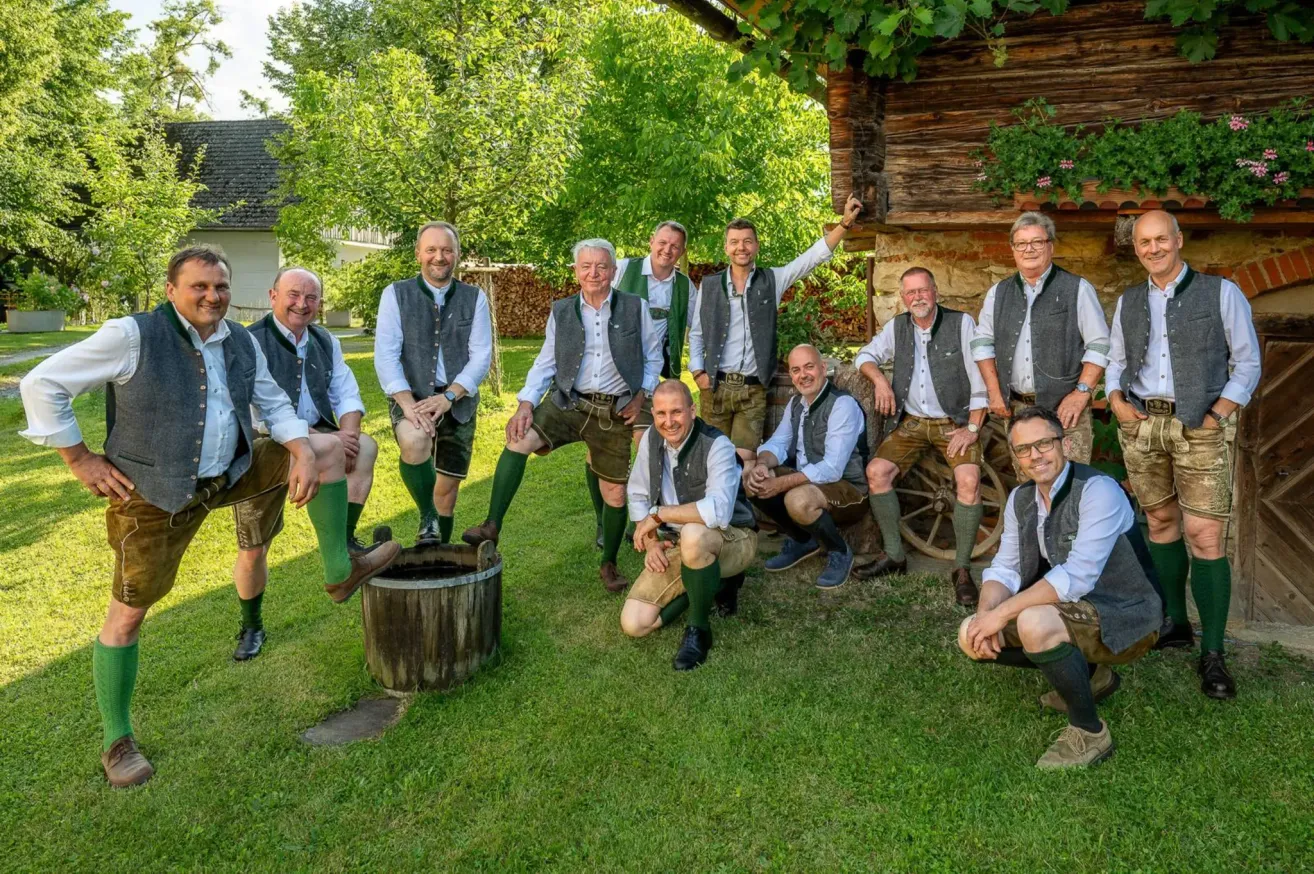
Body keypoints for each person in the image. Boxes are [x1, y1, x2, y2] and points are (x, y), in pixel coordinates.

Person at [18, 246, 400, 787]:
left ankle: (339, 568)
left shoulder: (239, 338)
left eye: (219, 287)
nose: (212, 296)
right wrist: (80, 459)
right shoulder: (131, 336)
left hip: (232, 469)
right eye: (198, 286)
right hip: (154, 490)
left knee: (331, 447)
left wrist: (300, 450)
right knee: (128, 614)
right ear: (171, 289)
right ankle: (117, 740)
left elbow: (271, 400)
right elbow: (41, 385)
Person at [1105, 209, 1261, 699]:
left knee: (1204, 533)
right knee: (1160, 523)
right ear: (1136, 248)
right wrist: (1115, 402)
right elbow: (1116, 359)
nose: (1152, 248)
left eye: (1160, 239)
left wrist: (1217, 414)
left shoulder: (1221, 292)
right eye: (1143, 242)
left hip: (1201, 426)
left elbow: (1248, 361)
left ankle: (1212, 653)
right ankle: (1175, 623)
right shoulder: (1129, 300)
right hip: (1142, 425)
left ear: (1178, 240)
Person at [958, 407, 1161, 768]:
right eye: (1024, 449)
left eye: (1044, 444)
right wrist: (984, 615)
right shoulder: (1022, 499)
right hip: (1072, 609)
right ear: (1017, 457)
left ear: (1064, 444)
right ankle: (1092, 677)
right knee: (968, 634)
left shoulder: (1098, 491)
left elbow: (1077, 577)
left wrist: (1002, 615)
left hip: (1126, 614)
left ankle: (1089, 731)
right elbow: (1004, 568)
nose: (1035, 456)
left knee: (1034, 623)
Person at [462, 239, 663, 594]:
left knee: (615, 493)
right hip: (568, 401)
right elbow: (546, 361)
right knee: (518, 439)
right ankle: (492, 524)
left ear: (614, 271)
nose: (594, 273)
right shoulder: (562, 310)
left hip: (613, 410)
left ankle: (609, 562)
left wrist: (641, 393)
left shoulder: (636, 307)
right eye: (586, 266)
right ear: (576, 272)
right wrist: (525, 402)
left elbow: (652, 355)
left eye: (601, 266)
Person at [230, 266, 379, 661]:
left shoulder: (324, 339)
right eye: (294, 294)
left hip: (322, 438)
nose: (302, 304)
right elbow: (254, 413)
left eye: (311, 298)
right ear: (273, 294)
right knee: (253, 547)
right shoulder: (248, 340)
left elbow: (345, 389)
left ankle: (342, 547)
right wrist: (313, 441)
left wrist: (348, 431)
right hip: (266, 445)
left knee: (364, 447)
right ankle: (252, 625)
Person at [851, 267, 989, 607]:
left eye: (923, 290)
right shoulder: (897, 327)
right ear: (903, 298)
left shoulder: (961, 324)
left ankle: (961, 569)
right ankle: (895, 556)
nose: (917, 298)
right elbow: (864, 357)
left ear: (935, 291)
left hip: (953, 422)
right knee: (876, 472)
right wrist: (881, 381)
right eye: (910, 293)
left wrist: (972, 428)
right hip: (912, 423)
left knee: (968, 480)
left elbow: (980, 376)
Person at [688, 195, 863, 460]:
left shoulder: (773, 280)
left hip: (752, 390)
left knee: (744, 459)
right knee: (712, 459)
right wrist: (698, 372)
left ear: (756, 246)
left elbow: (811, 259)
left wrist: (844, 224)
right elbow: (698, 334)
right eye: (734, 242)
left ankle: (742, 502)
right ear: (726, 248)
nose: (741, 247)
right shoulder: (710, 286)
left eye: (747, 241)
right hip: (715, 388)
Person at [621, 380, 758, 670]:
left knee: (695, 534)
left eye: (677, 412)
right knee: (635, 624)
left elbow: (719, 511)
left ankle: (698, 629)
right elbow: (637, 492)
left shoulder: (717, 445)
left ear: (692, 410)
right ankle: (717, 583)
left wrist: (659, 515)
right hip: (678, 542)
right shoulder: (650, 439)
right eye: (661, 414)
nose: (669, 422)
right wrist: (652, 542)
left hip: (734, 537)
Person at [374, 221, 493, 545]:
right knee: (414, 441)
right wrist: (408, 405)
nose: (438, 257)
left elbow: (481, 355)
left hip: (459, 399)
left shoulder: (474, 298)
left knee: (448, 491)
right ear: (418, 254)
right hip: (411, 396)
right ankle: (427, 517)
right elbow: (386, 356)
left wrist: (450, 396)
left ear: (456, 255)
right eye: (431, 249)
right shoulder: (395, 295)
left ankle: (437, 550)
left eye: (446, 250)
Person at [583, 221, 695, 548]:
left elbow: (699, 329)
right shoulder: (623, 271)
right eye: (662, 242)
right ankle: (603, 521)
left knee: (648, 446)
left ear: (682, 251)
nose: (667, 250)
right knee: (597, 451)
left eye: (675, 246)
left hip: (653, 380)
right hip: (609, 374)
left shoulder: (687, 288)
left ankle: (648, 520)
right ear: (651, 241)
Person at [971, 211, 1110, 472]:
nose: (1029, 250)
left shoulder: (1077, 288)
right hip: (1017, 409)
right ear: (1013, 249)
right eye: (1021, 244)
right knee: (1030, 482)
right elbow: (982, 343)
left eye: (1037, 242)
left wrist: (1081, 394)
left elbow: (1100, 344)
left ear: (1051, 246)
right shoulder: (998, 294)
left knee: (1071, 482)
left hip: (1065, 410)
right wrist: (993, 391)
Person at [743, 344, 867, 589]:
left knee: (797, 499)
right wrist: (761, 465)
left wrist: (780, 483)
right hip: (810, 481)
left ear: (823, 369)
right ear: (791, 375)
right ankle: (803, 540)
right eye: (796, 370)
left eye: (809, 367)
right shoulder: (796, 404)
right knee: (749, 481)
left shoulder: (842, 405)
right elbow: (778, 443)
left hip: (848, 488)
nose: (803, 375)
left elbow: (832, 468)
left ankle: (839, 552)